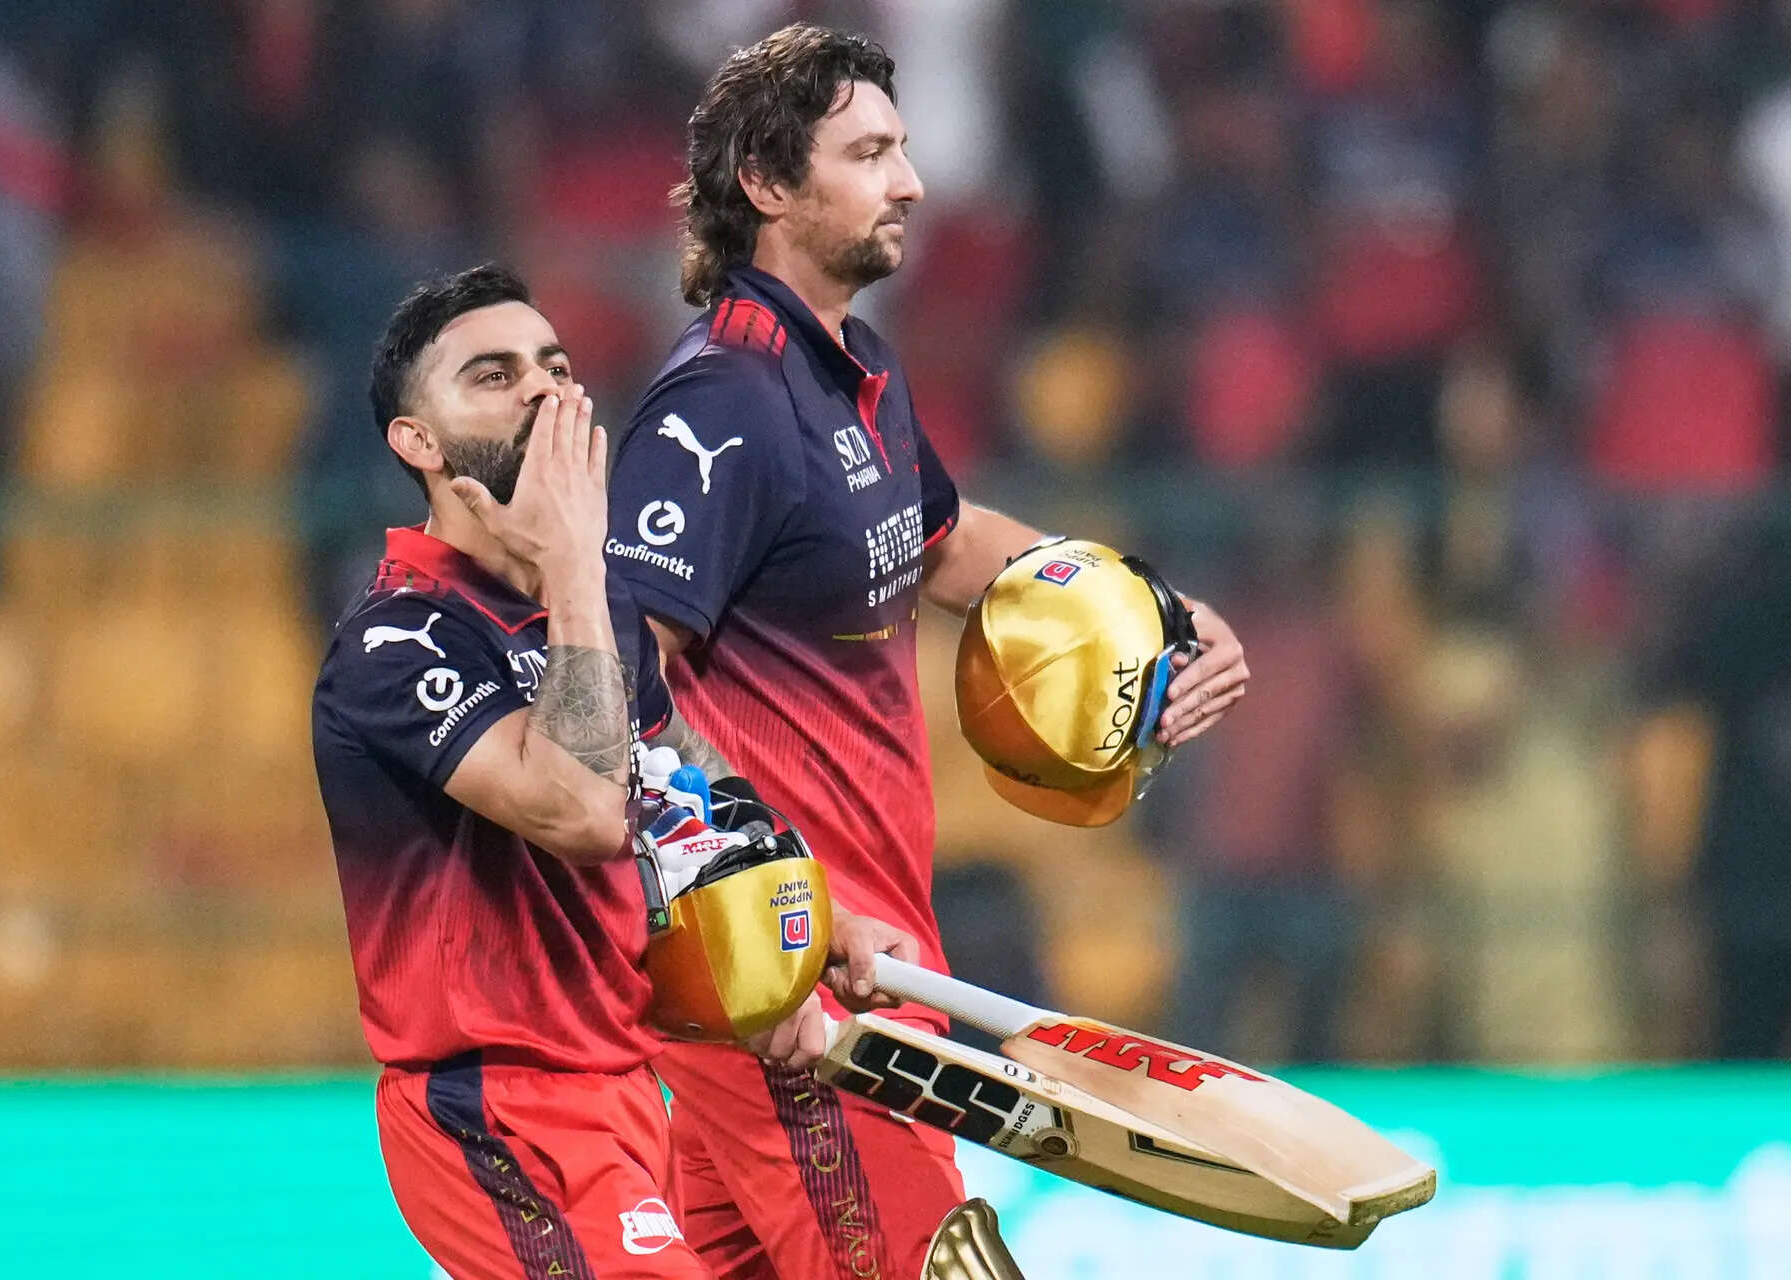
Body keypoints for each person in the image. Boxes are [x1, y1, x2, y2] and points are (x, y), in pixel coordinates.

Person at [605, 25, 1251, 1279]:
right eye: (868, 155)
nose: (909, 182)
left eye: (901, 150)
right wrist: (778, 912)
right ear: (767, 182)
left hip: (859, 961)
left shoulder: (858, 374)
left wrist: (1153, 603)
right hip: (799, 990)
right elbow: (614, 678)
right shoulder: (722, 402)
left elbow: (949, 548)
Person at [311, 266, 907, 1280]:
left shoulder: (595, 608)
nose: (541, 389)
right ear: (418, 441)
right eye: (492, 375)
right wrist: (576, 565)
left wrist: (813, 917)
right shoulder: (396, 641)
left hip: (629, 1084)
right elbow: (585, 810)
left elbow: (674, 786)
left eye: (553, 365)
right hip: (500, 1105)